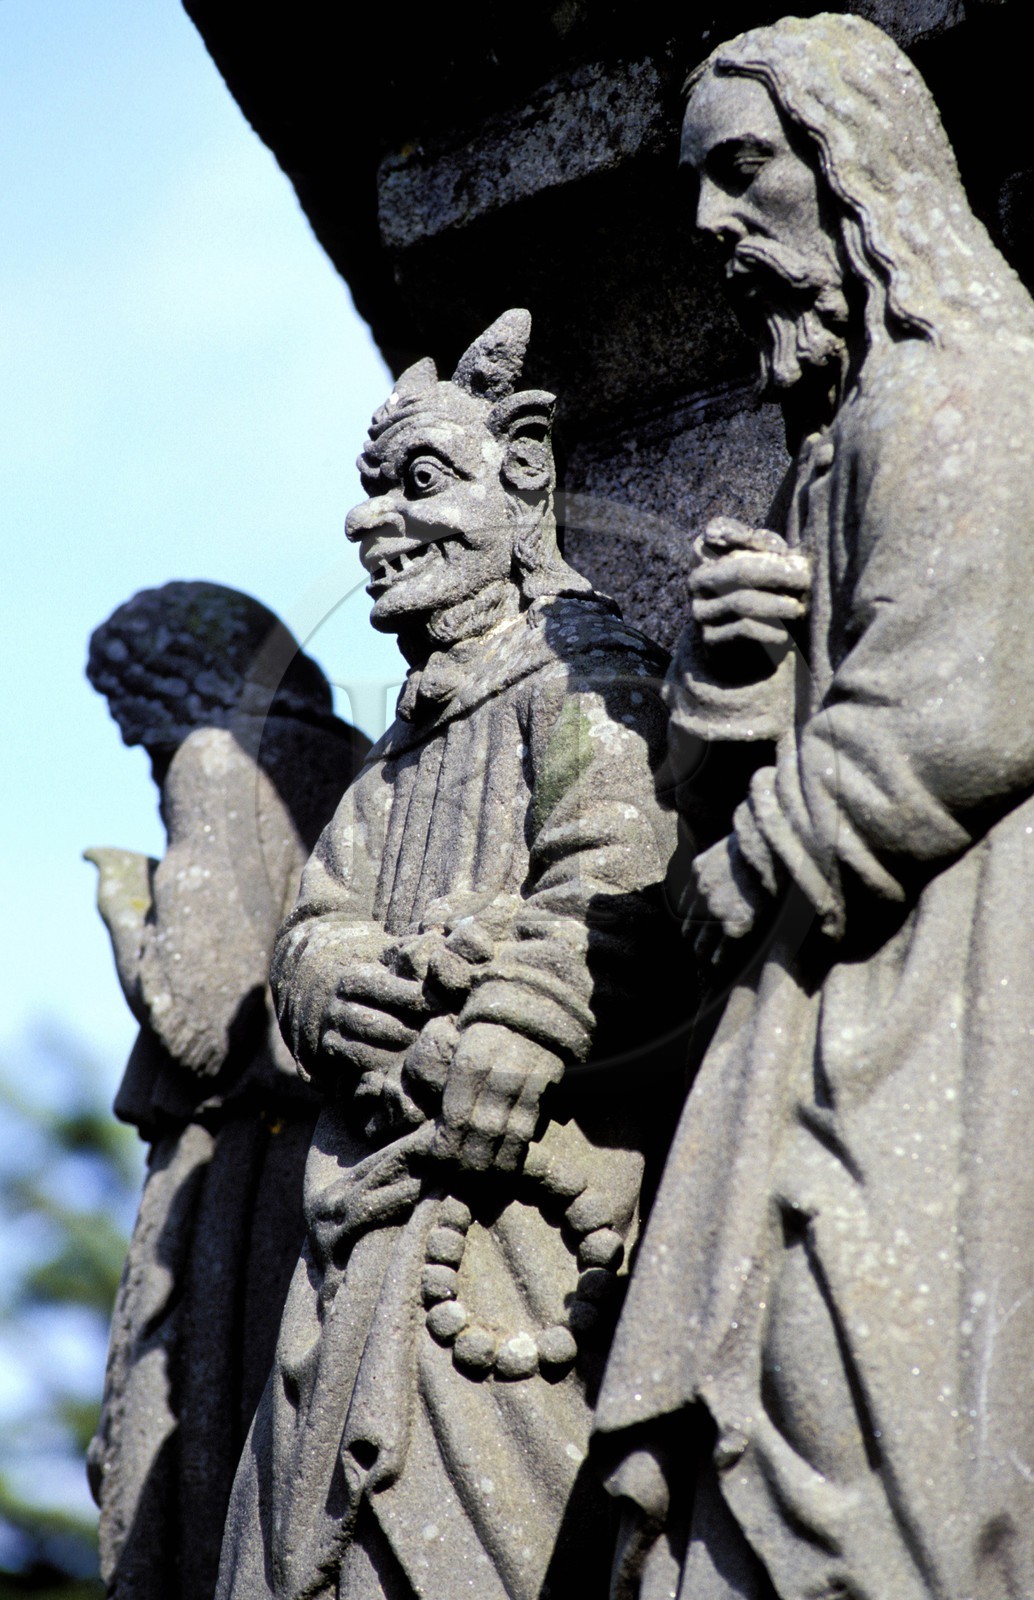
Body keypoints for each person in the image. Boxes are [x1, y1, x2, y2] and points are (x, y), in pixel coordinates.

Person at [594, 15, 1034, 1599]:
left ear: (851, 172)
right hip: (824, 980)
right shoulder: (832, 441)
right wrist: (732, 683)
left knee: (873, 1401)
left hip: (934, 974)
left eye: (741, 174)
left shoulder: (961, 390)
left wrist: (756, 860)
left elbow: (962, 722)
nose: (712, 230)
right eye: (696, 193)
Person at [217, 311, 693, 1600]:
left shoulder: (584, 678)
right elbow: (313, 930)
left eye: (417, 482)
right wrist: (336, 991)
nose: (372, 523)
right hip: (363, 1215)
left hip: (515, 1212)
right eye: (369, 493)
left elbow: (626, 877)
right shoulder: (403, 748)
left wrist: (516, 1018)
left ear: (521, 477)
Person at [84, 582, 364, 1600]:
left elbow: (202, 1020)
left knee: (187, 1469)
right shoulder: (350, 751)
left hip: (231, 1170)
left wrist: (127, 902)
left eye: (126, 705)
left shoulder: (213, 758)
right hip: (314, 1151)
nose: (129, 737)